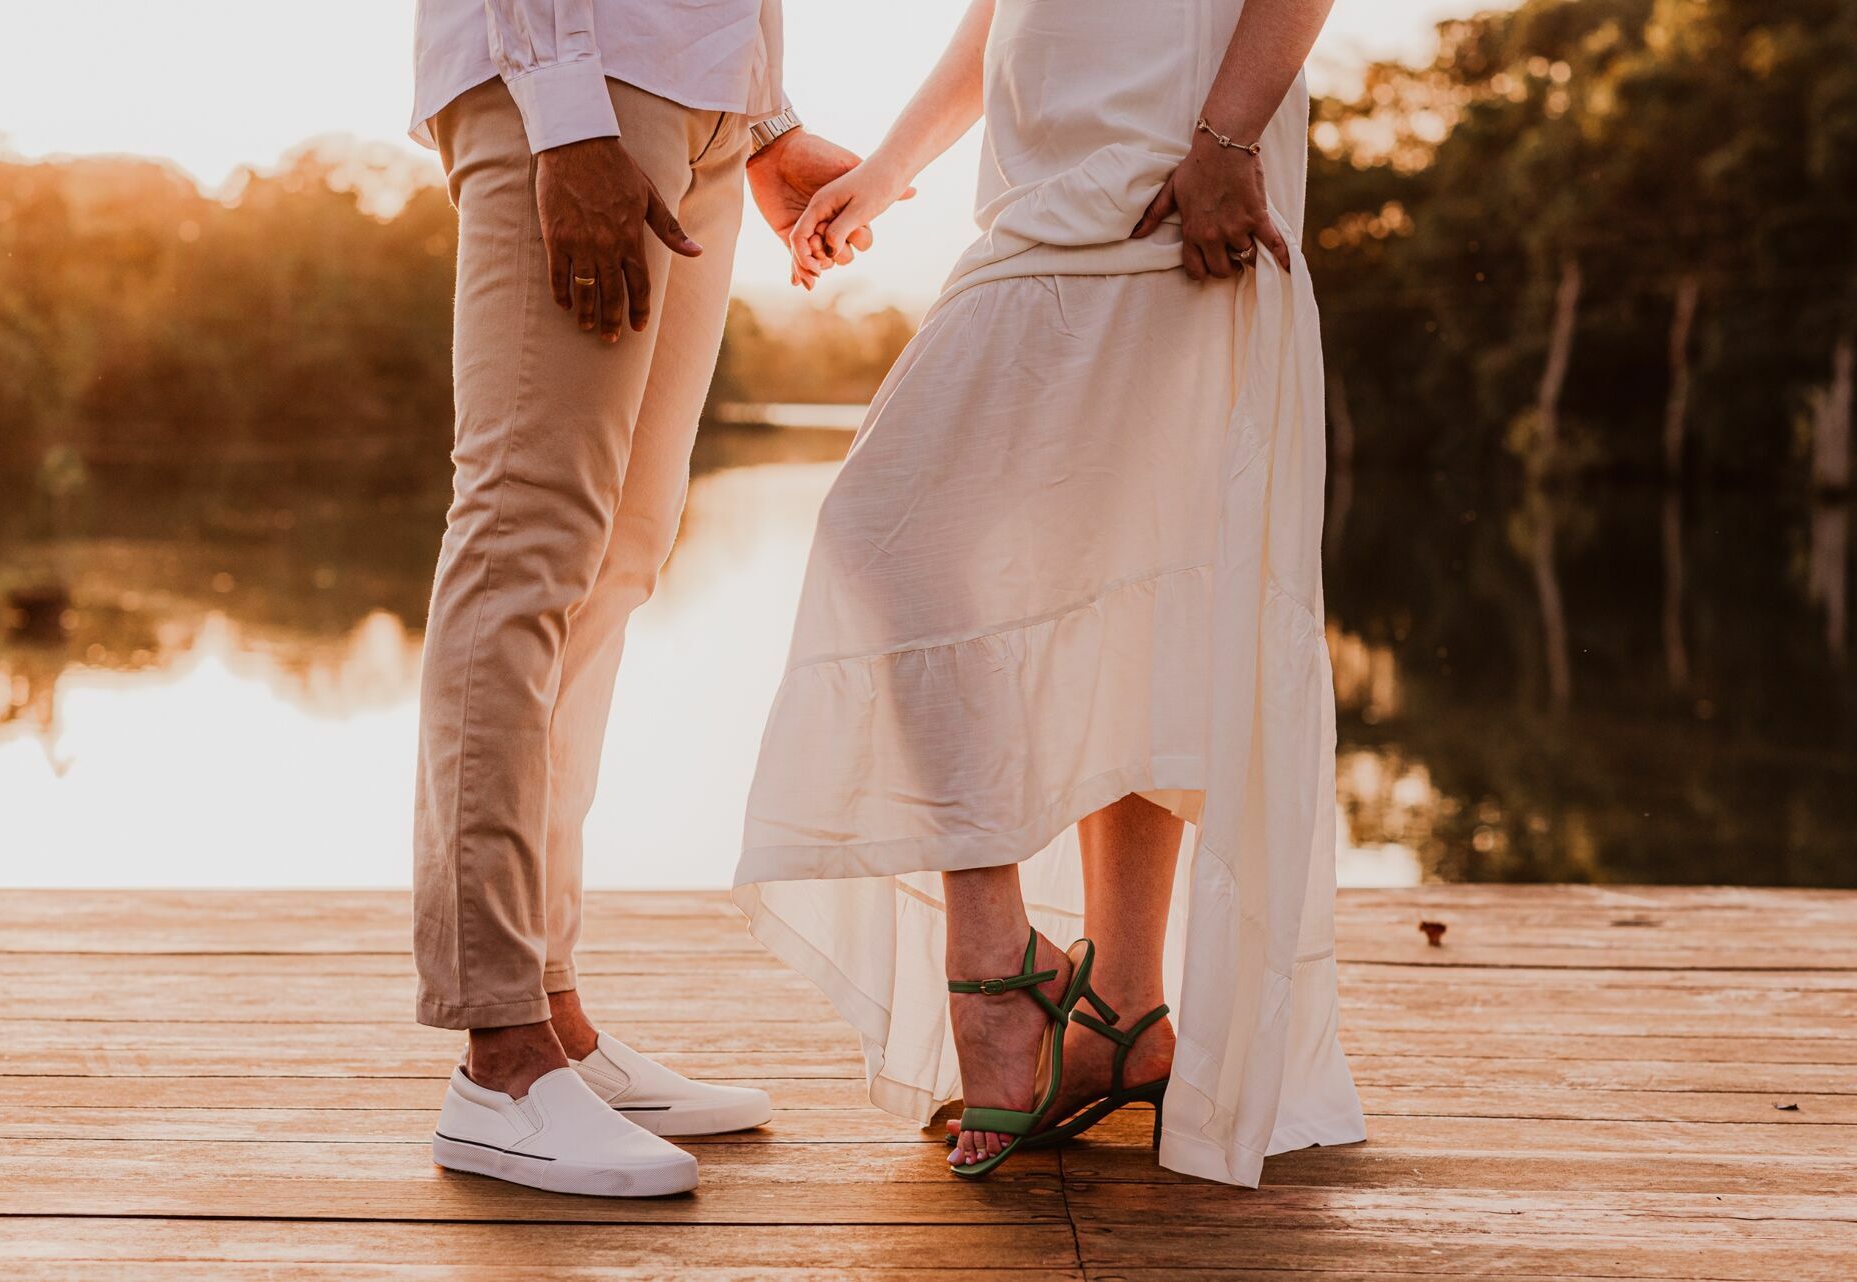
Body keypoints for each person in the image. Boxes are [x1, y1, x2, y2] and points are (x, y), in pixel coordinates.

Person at [733, 0, 1368, 1185]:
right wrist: (886, 169)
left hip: (1175, 179)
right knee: (1071, 581)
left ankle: (1014, 978)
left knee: (1071, 577)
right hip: (1044, 193)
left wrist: (1227, 143)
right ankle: (1119, 1012)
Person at [405, 0, 883, 1197]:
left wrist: (761, 118)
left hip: (692, 100)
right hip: (573, 78)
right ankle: (500, 1058)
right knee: (524, 541)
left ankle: (555, 1017)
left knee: (615, 559)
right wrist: (565, 117)